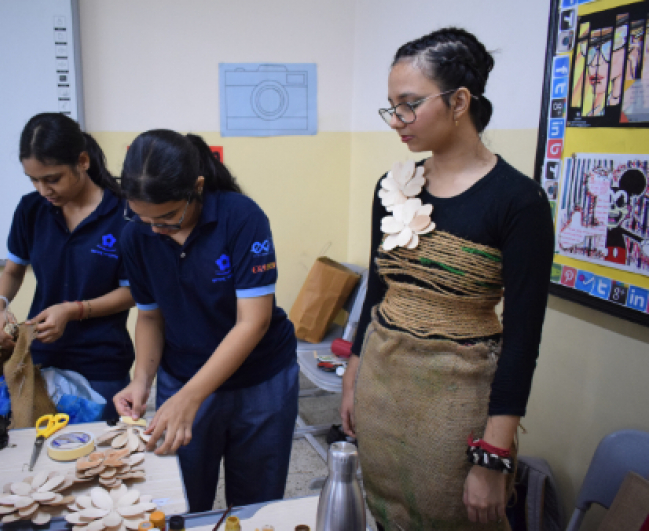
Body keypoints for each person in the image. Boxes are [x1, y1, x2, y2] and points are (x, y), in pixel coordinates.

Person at [340, 28, 554, 530]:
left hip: (456, 406)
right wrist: (353, 375)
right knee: (386, 513)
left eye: (409, 105)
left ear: (459, 101)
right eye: (391, 107)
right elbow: (378, 292)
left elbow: (523, 339)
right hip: (382, 388)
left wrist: (493, 456)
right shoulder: (393, 187)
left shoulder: (518, 202)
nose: (397, 120)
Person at [113, 129, 299, 513]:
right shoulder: (135, 235)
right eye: (143, 217)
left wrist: (189, 398)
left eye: (168, 216)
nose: (156, 229)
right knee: (181, 499)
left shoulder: (240, 217)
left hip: (260, 379)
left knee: (255, 505)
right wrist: (141, 380)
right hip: (182, 373)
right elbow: (149, 315)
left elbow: (253, 322)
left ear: (196, 187)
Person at [0, 112, 135, 420]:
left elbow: (133, 293)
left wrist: (73, 310)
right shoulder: (31, 209)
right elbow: (13, 270)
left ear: (82, 161)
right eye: (34, 180)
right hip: (41, 356)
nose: (43, 190)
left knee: (97, 449)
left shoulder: (124, 215)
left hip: (101, 363)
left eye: (52, 179)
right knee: (30, 443)